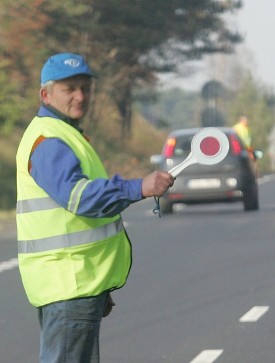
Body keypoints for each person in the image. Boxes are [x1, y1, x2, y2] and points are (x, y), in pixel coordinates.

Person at [15, 53, 175, 362]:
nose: (80, 96)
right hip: (69, 285)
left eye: (85, 88)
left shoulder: (65, 134)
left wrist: (100, 288)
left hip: (78, 284)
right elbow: (78, 197)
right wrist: (139, 187)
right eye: (70, 89)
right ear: (45, 94)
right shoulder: (48, 140)